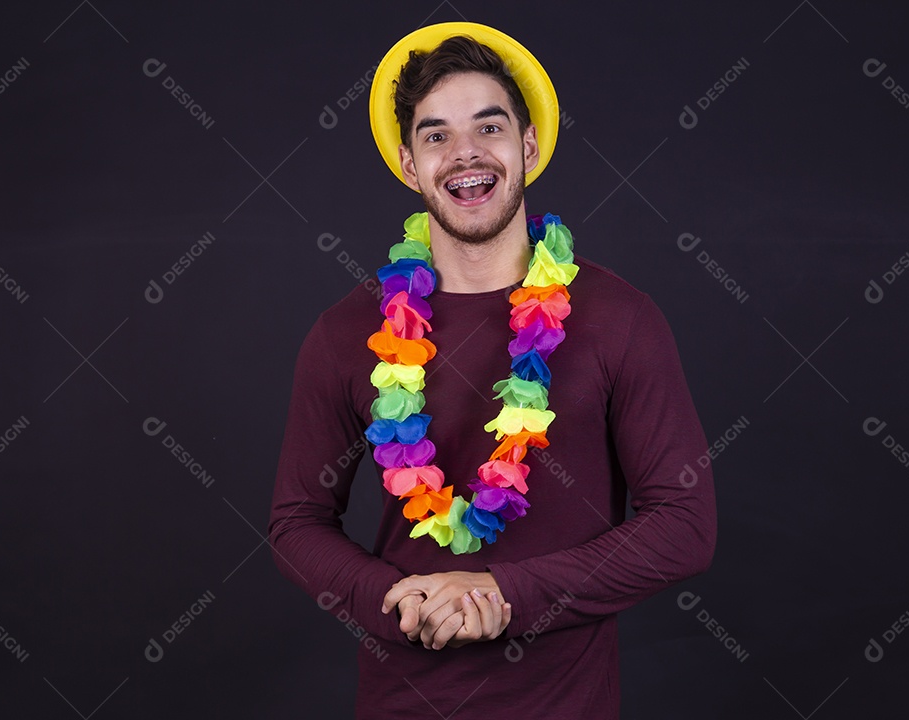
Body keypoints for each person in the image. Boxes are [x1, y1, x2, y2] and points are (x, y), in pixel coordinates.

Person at [268, 22, 716, 719]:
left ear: (528, 146)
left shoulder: (620, 318)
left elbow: (685, 525)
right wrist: (395, 602)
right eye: (436, 134)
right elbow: (296, 523)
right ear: (412, 166)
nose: (465, 154)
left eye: (489, 126)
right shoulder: (343, 333)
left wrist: (508, 594)